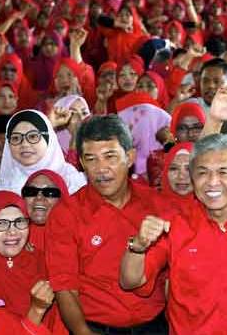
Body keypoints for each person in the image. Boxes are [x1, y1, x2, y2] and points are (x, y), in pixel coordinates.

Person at [120, 133, 227, 334]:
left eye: (223, 172)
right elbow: (130, 281)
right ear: (193, 179)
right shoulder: (174, 224)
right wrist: (138, 246)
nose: (213, 182)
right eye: (203, 173)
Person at [47, 115, 168, 334]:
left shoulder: (157, 205)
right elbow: (65, 287)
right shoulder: (66, 214)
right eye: (91, 159)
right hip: (97, 328)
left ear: (130, 157)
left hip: (155, 326)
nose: (101, 168)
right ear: (82, 163)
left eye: (110, 156)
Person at [0, 191, 63, 332]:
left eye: (19, 222)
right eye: (1, 223)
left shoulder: (42, 261)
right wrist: (36, 311)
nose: (12, 232)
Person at [0, 109, 86, 195]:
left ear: (48, 140)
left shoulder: (74, 182)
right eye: (16, 138)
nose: (24, 144)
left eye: (33, 136)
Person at [22, 169, 68, 251]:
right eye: (31, 191)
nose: (39, 198)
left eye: (50, 192)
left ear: (62, 199)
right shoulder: (12, 235)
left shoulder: (76, 236)